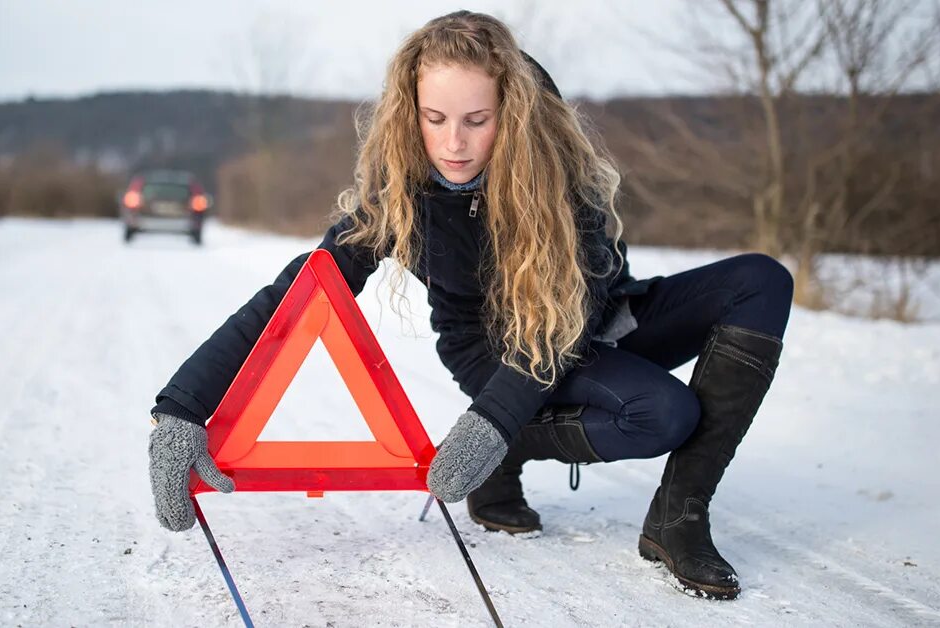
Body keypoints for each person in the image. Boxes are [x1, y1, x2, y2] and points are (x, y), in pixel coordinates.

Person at [148, 10, 792, 601]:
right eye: (435, 119)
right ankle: (505, 446)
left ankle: (678, 517)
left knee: (761, 279)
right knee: (663, 412)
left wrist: (492, 424)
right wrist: (181, 408)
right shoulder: (400, 194)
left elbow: (572, 313)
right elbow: (296, 295)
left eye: (475, 121)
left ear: (507, 113)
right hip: (489, 349)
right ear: (412, 113)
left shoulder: (562, 174)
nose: (453, 142)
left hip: (590, 325)